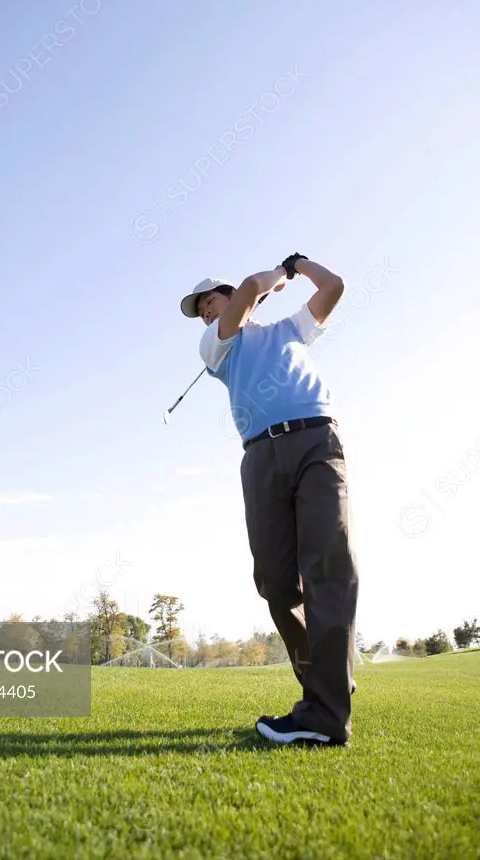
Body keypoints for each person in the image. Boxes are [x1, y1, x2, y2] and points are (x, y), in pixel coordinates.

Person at [179, 254, 359, 747]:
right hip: (260, 457)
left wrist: (302, 264)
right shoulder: (216, 348)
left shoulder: (287, 330)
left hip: (317, 442)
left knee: (328, 566)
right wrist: (278, 276)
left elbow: (335, 286)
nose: (208, 313)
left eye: (210, 302)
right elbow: (253, 286)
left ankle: (324, 711)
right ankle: (326, 679)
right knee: (277, 583)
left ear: (228, 294)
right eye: (202, 311)